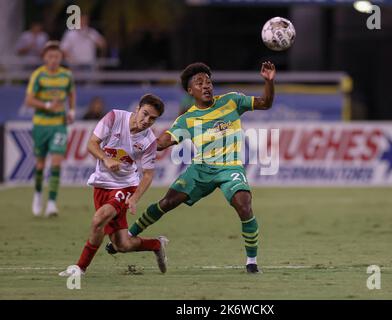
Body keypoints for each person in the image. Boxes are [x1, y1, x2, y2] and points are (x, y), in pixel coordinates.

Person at [106, 61, 276, 273]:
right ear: (190, 90)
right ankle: (129, 235)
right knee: (166, 203)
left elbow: (265, 103)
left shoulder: (232, 101)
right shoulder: (187, 119)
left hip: (229, 168)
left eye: (208, 81)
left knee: (244, 205)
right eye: (199, 82)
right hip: (201, 169)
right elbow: (161, 143)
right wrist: (132, 139)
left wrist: (269, 82)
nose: (206, 85)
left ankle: (252, 262)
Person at [59, 94, 168, 277]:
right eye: (145, 114)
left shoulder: (149, 141)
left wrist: (134, 197)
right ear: (137, 109)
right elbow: (92, 144)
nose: (147, 120)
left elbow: (148, 174)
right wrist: (106, 158)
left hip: (124, 186)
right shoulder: (114, 117)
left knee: (98, 219)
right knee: (122, 245)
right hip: (101, 184)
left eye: (153, 119)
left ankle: (80, 268)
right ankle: (156, 244)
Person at [25, 41, 76, 217]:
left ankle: (52, 203)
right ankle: (38, 195)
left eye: (57, 56)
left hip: (59, 124)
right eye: (50, 56)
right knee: (40, 164)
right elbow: (29, 101)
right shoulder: (38, 75)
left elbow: (71, 93)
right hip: (41, 124)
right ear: (44, 58)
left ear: (61, 57)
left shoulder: (66, 75)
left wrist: (71, 110)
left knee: (56, 162)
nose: (54, 59)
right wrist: (47, 104)